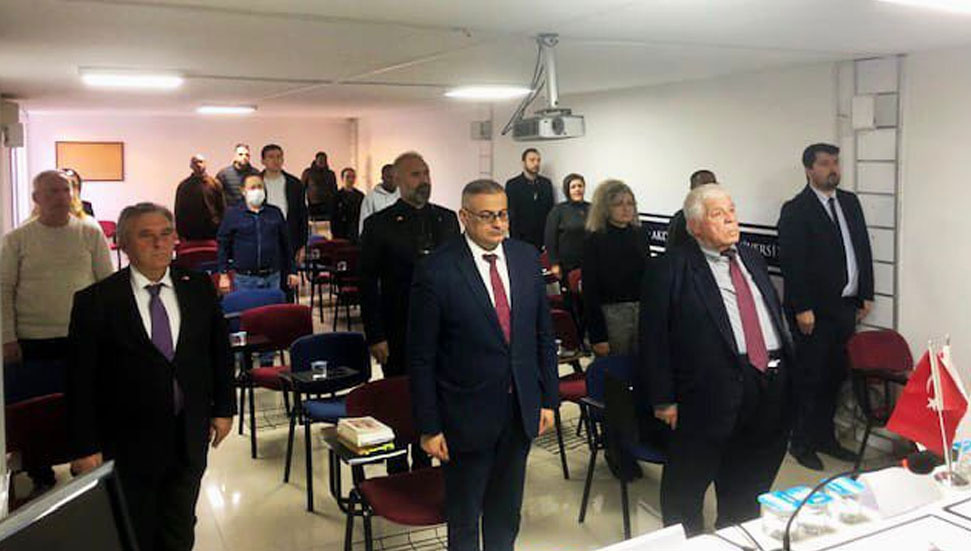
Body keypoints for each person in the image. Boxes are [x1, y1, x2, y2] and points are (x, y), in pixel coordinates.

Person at [67, 202, 235, 551]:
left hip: (188, 433)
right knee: (136, 527)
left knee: (180, 524)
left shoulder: (197, 286)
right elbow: (79, 381)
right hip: (127, 441)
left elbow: (219, 352)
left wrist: (223, 409)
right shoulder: (96, 301)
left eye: (166, 234)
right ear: (124, 244)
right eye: (146, 235)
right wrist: (85, 446)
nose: (159, 243)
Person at [409, 179, 559, 551]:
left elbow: (543, 335)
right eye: (487, 216)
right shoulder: (437, 269)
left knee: (506, 514)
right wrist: (429, 427)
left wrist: (548, 400)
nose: (498, 224)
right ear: (464, 217)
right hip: (465, 416)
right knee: (465, 519)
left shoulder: (525, 258)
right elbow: (422, 357)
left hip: (519, 410)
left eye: (503, 214)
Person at [640, 184, 793, 536]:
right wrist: (663, 399)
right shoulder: (670, 268)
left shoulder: (751, 258)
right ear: (695, 226)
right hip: (708, 390)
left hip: (767, 383)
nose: (730, 219)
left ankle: (736, 536)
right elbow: (653, 338)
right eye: (717, 214)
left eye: (732, 210)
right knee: (686, 489)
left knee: (749, 483)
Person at [1, 170, 113, 490]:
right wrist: (7, 337)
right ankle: (40, 471)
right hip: (32, 341)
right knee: (36, 412)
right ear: (36, 198)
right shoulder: (17, 239)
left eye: (65, 190)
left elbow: (106, 285)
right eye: (52, 191)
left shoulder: (89, 232)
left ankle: (83, 460)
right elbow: (3, 290)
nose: (61, 197)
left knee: (83, 404)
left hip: (80, 338)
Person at [360, 153, 459, 474]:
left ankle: (426, 463)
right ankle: (398, 466)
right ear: (398, 180)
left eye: (426, 173)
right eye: (416, 175)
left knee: (436, 395)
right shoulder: (379, 225)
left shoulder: (446, 220)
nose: (424, 180)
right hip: (398, 328)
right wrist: (375, 335)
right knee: (400, 398)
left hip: (443, 330)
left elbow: (458, 273)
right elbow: (367, 283)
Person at [778, 143, 874, 471]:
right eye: (824, 163)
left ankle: (825, 437)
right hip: (813, 313)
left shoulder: (849, 202)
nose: (833, 168)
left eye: (835, 162)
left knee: (835, 377)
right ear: (809, 170)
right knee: (810, 378)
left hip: (845, 308)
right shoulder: (796, 209)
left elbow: (861, 247)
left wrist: (865, 292)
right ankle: (801, 442)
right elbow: (793, 263)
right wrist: (802, 307)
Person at [582, 180, 649, 357]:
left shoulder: (640, 234)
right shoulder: (594, 239)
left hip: (641, 311)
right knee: (617, 368)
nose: (626, 209)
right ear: (605, 208)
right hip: (611, 315)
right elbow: (590, 290)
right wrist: (598, 335)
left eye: (630, 203)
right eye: (618, 204)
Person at [216, 174, 300, 294]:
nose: (257, 190)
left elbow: (286, 244)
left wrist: (292, 271)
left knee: (273, 306)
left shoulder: (275, 213)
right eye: (252, 187)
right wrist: (223, 274)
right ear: (243, 191)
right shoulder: (233, 215)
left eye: (260, 187)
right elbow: (223, 246)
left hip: (273, 277)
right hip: (244, 279)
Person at [260, 144, 309, 265]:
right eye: (271, 157)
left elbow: (302, 215)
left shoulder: (294, 184)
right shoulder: (255, 183)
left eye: (279, 157)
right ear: (263, 161)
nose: (275, 160)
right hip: (262, 239)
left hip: (289, 238)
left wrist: (302, 246)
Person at [543, 173, 589, 280]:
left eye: (580, 186)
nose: (577, 189)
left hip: (590, 262)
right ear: (567, 190)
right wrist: (554, 264)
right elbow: (550, 239)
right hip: (568, 266)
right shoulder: (558, 210)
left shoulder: (592, 208)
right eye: (573, 187)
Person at [505, 148, 554, 250]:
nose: (536, 163)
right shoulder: (513, 185)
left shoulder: (546, 184)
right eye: (532, 160)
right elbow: (511, 215)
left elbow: (550, 213)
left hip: (542, 240)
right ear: (523, 163)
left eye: (538, 160)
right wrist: (515, 240)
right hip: (520, 239)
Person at [174, 154, 225, 241]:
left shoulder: (214, 184)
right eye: (195, 162)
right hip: (191, 232)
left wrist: (221, 227)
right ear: (191, 166)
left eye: (201, 162)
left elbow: (222, 208)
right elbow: (179, 210)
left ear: (205, 164)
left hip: (212, 231)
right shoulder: (184, 186)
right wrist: (180, 233)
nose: (198, 164)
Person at [666, 169, 717, 249]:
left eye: (712, 185)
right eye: (703, 186)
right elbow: (672, 251)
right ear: (693, 190)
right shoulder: (682, 219)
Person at [358, 163, 399, 235]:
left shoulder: (404, 196)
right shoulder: (371, 198)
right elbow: (364, 222)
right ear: (382, 177)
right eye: (389, 177)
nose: (392, 180)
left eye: (396, 177)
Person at [301, 151, 338, 221]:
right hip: (313, 205)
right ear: (316, 160)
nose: (322, 162)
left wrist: (335, 204)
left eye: (324, 160)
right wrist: (302, 204)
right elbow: (301, 189)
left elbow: (334, 189)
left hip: (328, 205)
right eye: (320, 160)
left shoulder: (330, 174)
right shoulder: (308, 173)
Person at [332, 167, 364, 242]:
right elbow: (333, 216)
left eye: (353, 177)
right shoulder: (336, 196)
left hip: (356, 231)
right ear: (342, 178)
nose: (350, 180)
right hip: (341, 232)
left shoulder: (360, 196)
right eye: (348, 177)